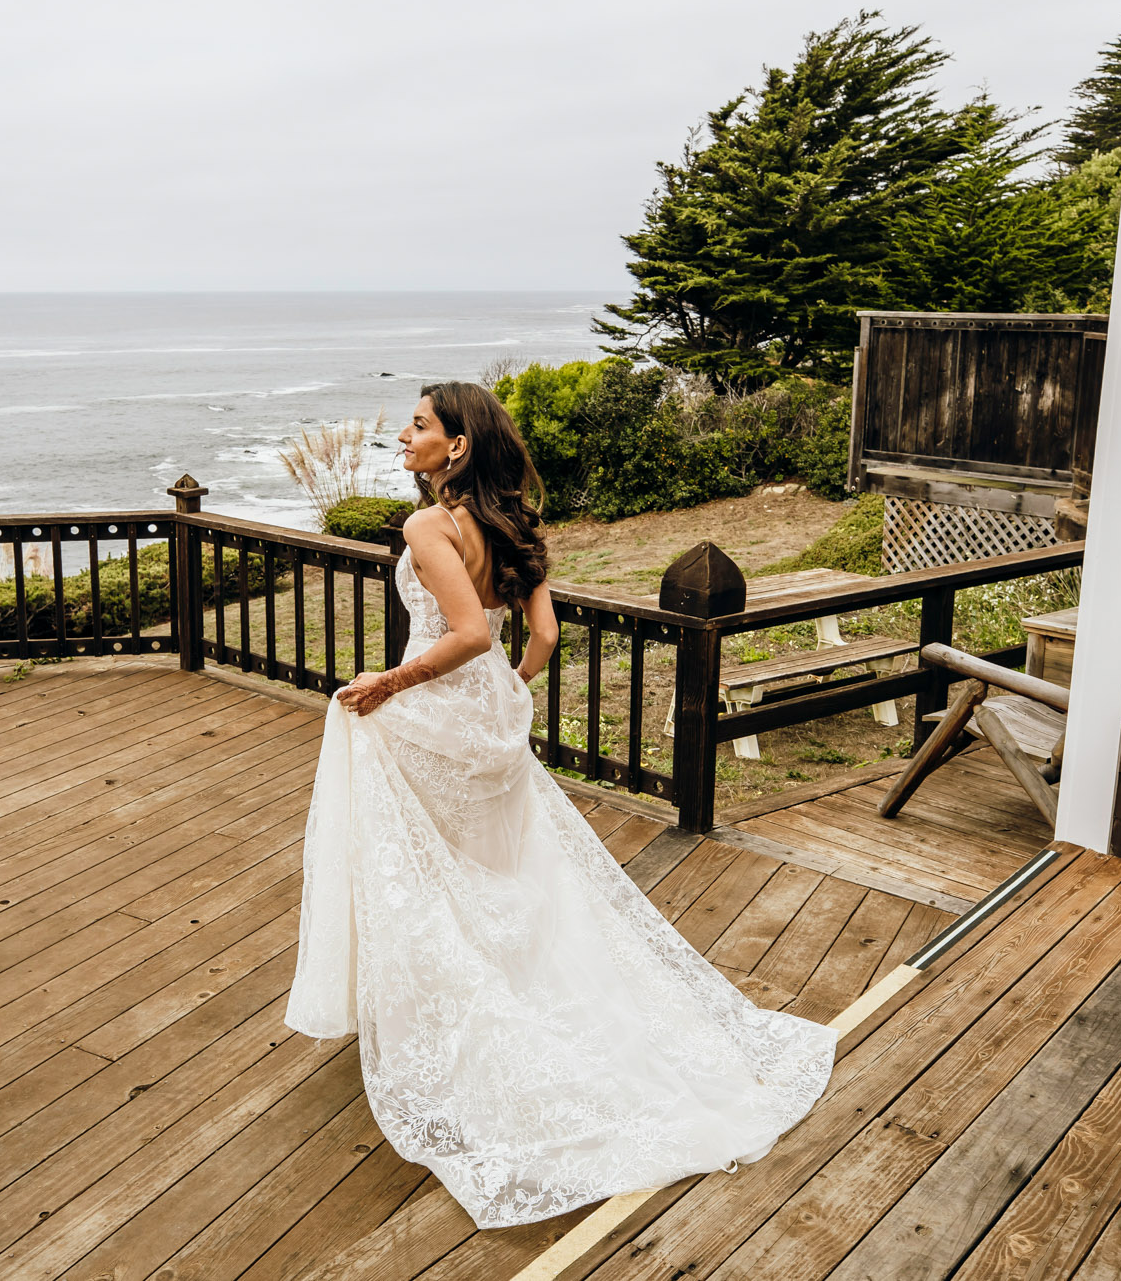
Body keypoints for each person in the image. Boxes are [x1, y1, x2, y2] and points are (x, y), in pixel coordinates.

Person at [284, 380, 838, 1230]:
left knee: (426, 872)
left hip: (434, 718)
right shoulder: (517, 526)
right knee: (502, 873)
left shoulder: (427, 526)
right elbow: (534, 637)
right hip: (491, 726)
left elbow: (465, 632)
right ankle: (519, 993)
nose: (405, 432)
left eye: (422, 424)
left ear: (457, 446)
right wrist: (508, 695)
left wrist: (386, 684)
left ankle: (461, 1022)